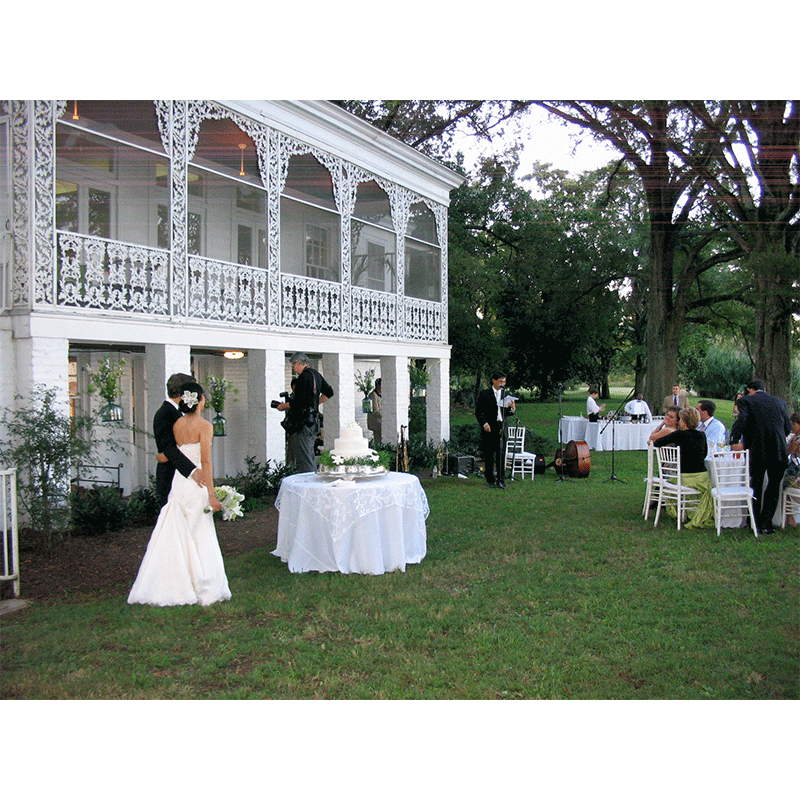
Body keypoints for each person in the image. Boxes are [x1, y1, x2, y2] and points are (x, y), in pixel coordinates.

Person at [128, 382, 231, 606]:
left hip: (179, 483)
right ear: (200, 399)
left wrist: (162, 457)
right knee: (199, 531)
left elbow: (170, 452)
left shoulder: (176, 424)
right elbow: (205, 462)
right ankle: (201, 583)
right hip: (196, 484)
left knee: (179, 530)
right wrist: (212, 495)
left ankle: (176, 579)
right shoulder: (204, 426)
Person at [730, 380, 791, 534]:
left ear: (750, 389)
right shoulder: (780, 402)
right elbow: (787, 428)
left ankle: (754, 522)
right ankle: (767, 523)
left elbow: (742, 420)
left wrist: (734, 440)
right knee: (773, 486)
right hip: (778, 449)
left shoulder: (745, 400)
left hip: (758, 449)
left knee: (755, 484)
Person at [653, 406, 712, 527]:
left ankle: (680, 512)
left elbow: (657, 443)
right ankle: (697, 512)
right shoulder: (702, 435)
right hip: (703, 477)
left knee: (670, 482)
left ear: (683, 422)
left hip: (685, 478)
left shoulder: (679, 434)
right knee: (709, 489)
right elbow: (705, 454)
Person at [153, 372, 205, 508]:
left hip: (184, 477)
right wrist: (193, 471)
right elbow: (169, 449)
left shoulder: (179, 412)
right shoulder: (164, 413)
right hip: (171, 477)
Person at [276, 353, 333, 473]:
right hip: (314, 420)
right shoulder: (315, 374)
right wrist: (314, 404)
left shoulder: (303, 377)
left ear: (298, 363)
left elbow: (298, 403)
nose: (293, 368)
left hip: (304, 421)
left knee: (304, 456)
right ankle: (311, 479)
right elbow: (329, 392)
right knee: (309, 453)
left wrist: (283, 406)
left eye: (293, 365)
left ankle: (308, 483)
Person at [476, 371, 516, 489]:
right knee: (489, 455)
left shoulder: (506, 394)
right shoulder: (485, 394)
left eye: (504, 382)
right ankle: (490, 479)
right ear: (494, 381)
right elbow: (478, 412)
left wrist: (512, 409)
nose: (502, 384)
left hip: (501, 427)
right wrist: (484, 423)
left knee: (501, 455)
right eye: (500, 381)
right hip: (490, 427)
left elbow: (508, 413)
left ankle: (501, 479)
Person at [367, 377, 382, 444]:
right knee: (378, 440)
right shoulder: (373, 395)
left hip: (381, 419)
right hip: (376, 421)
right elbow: (375, 411)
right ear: (378, 385)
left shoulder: (382, 394)